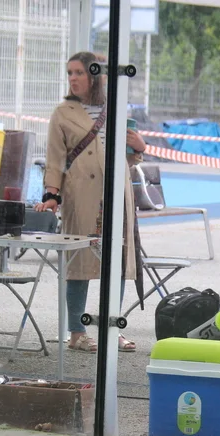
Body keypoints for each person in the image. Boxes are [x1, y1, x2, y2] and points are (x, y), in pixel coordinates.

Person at [33, 50, 146, 353]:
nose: (73, 78)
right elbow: (55, 159)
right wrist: (51, 195)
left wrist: (139, 147)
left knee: (117, 262)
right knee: (79, 262)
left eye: (79, 72)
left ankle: (112, 328)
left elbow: (127, 157)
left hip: (116, 194)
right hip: (82, 193)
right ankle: (77, 332)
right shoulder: (63, 113)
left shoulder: (115, 108)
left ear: (95, 76)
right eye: (70, 73)